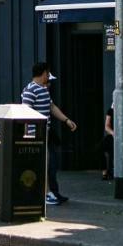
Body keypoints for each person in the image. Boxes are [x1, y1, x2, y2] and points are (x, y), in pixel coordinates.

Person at [21, 61, 76, 206]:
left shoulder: (43, 89)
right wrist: (29, 135)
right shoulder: (30, 90)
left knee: (49, 163)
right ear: (44, 73)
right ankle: (45, 194)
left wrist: (66, 120)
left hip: (45, 131)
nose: (48, 76)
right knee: (44, 164)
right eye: (47, 73)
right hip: (36, 133)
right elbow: (25, 112)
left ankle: (49, 192)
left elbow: (51, 107)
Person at [103, 105, 123, 180]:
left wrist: (122, 112)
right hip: (113, 134)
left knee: (112, 149)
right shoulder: (110, 110)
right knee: (100, 147)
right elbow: (106, 126)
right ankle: (105, 170)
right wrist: (113, 133)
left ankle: (110, 172)